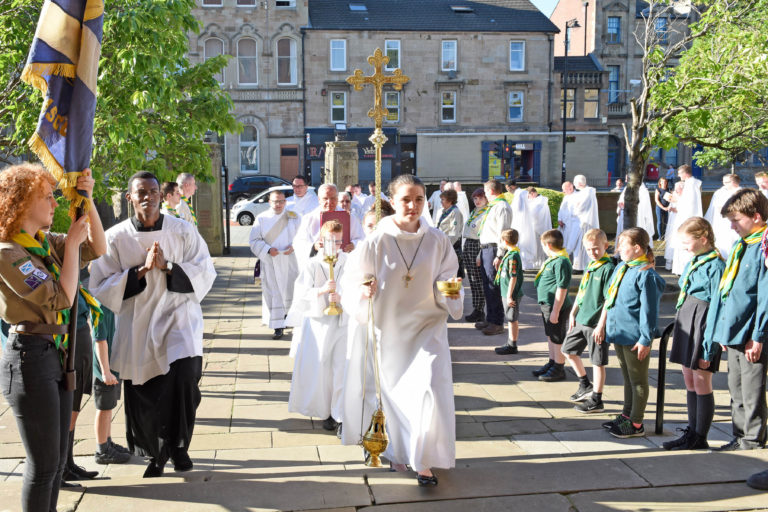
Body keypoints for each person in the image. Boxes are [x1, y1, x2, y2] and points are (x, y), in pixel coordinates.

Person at [90, 171, 216, 478]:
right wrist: (142, 271)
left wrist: (168, 266)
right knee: (148, 393)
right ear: (129, 197)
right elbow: (99, 283)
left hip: (178, 317)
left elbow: (205, 270)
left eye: (153, 191)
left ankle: (180, 447)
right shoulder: (117, 237)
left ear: (161, 195)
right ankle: (156, 455)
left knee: (185, 380)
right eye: (141, 192)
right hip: (138, 323)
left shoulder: (182, 231)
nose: (148, 197)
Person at [339, 174, 463, 486]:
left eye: (419, 199)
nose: (413, 205)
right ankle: (398, 452)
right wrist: (363, 291)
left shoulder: (437, 240)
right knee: (396, 396)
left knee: (430, 388)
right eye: (406, 199)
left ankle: (423, 461)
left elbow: (448, 274)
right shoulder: (377, 241)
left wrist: (450, 290)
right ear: (392, 202)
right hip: (389, 329)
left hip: (427, 327)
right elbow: (352, 281)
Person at [0, 163, 105, 512]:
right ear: (23, 202)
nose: (55, 204)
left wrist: (86, 200)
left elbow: (98, 248)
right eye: (48, 197)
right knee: (43, 466)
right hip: (28, 357)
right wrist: (72, 245)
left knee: (57, 463)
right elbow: (61, 297)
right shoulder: (8, 253)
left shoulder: (43, 244)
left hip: (54, 352)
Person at [702, 188, 768, 451]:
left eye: (736, 220)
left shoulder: (763, 246)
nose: (732, 227)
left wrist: (758, 335)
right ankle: (739, 435)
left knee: (752, 390)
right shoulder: (743, 245)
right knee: (736, 388)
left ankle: (753, 439)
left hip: (752, 333)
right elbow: (727, 292)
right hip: (735, 331)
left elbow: (764, 295)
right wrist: (723, 330)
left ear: (756, 216)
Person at [662, 217, 724, 451]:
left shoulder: (715, 265)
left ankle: (700, 436)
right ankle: (691, 430)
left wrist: (710, 345)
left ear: (703, 239)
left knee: (701, 379)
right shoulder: (695, 261)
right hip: (688, 318)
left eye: (687, 241)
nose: (684, 246)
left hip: (703, 321)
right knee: (689, 378)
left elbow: (718, 304)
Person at [600, 227, 665, 439]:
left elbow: (649, 311)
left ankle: (636, 422)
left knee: (638, 380)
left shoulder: (646, 274)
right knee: (627, 378)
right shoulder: (624, 268)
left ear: (637, 248)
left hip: (634, 336)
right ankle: (627, 415)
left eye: (622, 245)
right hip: (619, 333)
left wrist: (646, 339)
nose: (618, 249)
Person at [286, 220, 349, 433]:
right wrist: (321, 291)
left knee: (342, 368)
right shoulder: (313, 265)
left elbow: (356, 287)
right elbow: (300, 293)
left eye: (339, 241)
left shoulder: (349, 261)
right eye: (331, 241)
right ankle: (325, 411)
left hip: (343, 323)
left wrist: (344, 297)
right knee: (322, 368)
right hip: (319, 323)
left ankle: (340, 414)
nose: (335, 246)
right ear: (321, 241)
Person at [563, 229, 616, 413]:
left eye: (596, 249)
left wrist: (601, 325)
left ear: (605, 246)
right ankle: (584, 383)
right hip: (581, 319)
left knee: (597, 362)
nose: (592, 253)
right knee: (568, 351)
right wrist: (573, 313)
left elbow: (609, 300)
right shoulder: (591, 265)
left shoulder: (608, 268)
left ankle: (597, 399)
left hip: (595, 324)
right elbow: (582, 291)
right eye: (588, 249)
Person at [249, 190, 301, 340]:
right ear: (269, 202)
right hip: (271, 261)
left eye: (281, 201)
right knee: (274, 293)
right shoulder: (262, 218)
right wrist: (267, 249)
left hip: (290, 260)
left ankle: (290, 319)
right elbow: (254, 241)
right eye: (275, 201)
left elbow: (302, 237)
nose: (278, 205)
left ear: (286, 201)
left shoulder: (294, 217)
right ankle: (278, 326)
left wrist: (295, 246)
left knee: (291, 290)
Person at [91, 304, 132, 465]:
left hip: (112, 365)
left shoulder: (111, 304)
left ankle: (107, 441)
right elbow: (99, 340)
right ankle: (102, 450)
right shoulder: (101, 306)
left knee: (109, 407)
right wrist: (105, 371)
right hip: (105, 369)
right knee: (104, 408)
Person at [532, 229, 572, 382]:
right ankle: (552, 361)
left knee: (557, 337)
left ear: (548, 245)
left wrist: (555, 311)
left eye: (542, 245)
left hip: (556, 306)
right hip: (547, 304)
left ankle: (559, 367)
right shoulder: (554, 259)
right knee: (550, 335)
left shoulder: (561, 261)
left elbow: (562, 288)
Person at [293, 184, 364, 265]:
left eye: (333, 198)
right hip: (318, 264)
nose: (329, 202)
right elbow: (299, 243)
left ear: (337, 199)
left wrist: (354, 244)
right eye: (325, 198)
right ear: (319, 199)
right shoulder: (309, 218)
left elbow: (362, 239)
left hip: (343, 264)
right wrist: (314, 247)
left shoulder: (349, 218)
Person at [475, 179, 512, 336]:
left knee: (493, 286)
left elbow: (503, 232)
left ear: (490, 191)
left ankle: (497, 322)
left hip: (494, 248)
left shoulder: (502, 206)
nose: (484, 194)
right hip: (486, 248)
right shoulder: (492, 207)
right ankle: (490, 318)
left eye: (485, 190)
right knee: (487, 286)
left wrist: (499, 254)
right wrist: (480, 253)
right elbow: (485, 232)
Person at [668, 165, 703, 275]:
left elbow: (690, 204)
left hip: (686, 218)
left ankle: (685, 269)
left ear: (685, 173)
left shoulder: (691, 184)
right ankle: (680, 269)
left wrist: (678, 200)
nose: (678, 176)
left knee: (685, 243)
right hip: (683, 216)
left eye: (679, 173)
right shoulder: (689, 184)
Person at [493, 229, 524, 356]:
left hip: (510, 294)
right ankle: (510, 342)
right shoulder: (510, 253)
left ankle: (512, 345)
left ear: (505, 241)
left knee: (512, 319)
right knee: (510, 318)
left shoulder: (513, 256)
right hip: (506, 292)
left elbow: (513, 277)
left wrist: (510, 296)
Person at [462, 189, 489, 323]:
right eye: (475, 199)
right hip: (468, 244)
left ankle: (479, 310)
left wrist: (480, 253)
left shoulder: (486, 213)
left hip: (477, 245)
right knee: (472, 279)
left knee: (477, 279)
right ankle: (476, 308)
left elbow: (483, 235)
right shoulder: (475, 211)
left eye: (480, 198)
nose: (477, 201)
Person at [705, 174, 742, 258]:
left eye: (726, 182)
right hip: (721, 221)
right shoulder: (721, 192)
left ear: (733, 182)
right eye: (723, 182)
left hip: (733, 221)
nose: (724, 184)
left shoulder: (740, 192)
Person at [569, 175, 601, 271]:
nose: (574, 185)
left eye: (575, 183)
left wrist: (574, 208)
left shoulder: (588, 192)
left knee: (583, 244)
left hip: (585, 223)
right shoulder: (584, 192)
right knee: (579, 245)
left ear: (579, 183)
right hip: (581, 223)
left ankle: (582, 266)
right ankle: (579, 265)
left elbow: (580, 207)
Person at [504, 179, 537, 270]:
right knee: (524, 241)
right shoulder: (523, 193)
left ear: (512, 186)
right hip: (524, 221)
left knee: (521, 241)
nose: (508, 191)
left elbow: (517, 209)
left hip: (519, 221)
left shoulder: (519, 194)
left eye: (508, 188)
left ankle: (522, 264)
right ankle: (524, 263)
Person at [437, 189, 464, 278]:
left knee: (451, 277)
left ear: (450, 200)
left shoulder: (454, 212)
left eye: (443, 200)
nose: (441, 202)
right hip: (443, 246)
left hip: (450, 248)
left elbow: (454, 234)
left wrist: (445, 248)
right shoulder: (445, 211)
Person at [527, 187, 551, 268]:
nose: (528, 198)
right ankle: (535, 262)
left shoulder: (540, 201)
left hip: (539, 227)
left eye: (528, 196)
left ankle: (540, 263)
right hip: (534, 227)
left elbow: (534, 213)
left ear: (532, 194)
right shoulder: (534, 201)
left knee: (539, 246)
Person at [664, 181, 685, 268]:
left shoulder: (685, 197)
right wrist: (670, 207)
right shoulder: (674, 195)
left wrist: (674, 209)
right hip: (672, 220)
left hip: (680, 221)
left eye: (678, 188)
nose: (676, 190)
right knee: (671, 239)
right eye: (675, 188)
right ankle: (669, 263)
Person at [558, 181, 580, 262]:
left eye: (564, 189)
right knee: (565, 241)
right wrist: (560, 218)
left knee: (573, 242)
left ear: (570, 188)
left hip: (574, 223)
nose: (563, 191)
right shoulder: (566, 197)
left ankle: (574, 261)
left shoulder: (578, 196)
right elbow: (561, 209)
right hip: (565, 224)